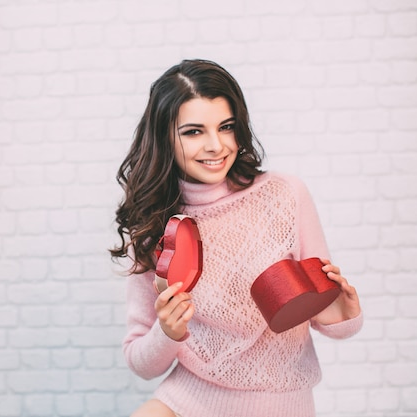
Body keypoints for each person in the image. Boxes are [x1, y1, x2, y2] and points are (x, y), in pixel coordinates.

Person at [110, 59, 363, 417]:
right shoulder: (155, 222)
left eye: (225, 127)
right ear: (165, 137)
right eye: (193, 132)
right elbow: (140, 361)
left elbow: (326, 314)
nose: (215, 146)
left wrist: (345, 313)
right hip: (189, 396)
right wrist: (167, 331)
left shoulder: (284, 194)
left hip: (278, 403)